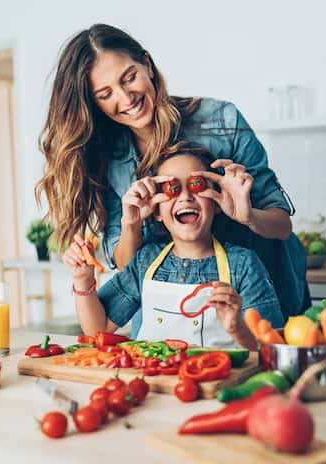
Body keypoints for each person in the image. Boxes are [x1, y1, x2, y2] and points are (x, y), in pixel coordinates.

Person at [36, 24, 309, 335]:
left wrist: (248, 216)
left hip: (255, 299)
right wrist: (132, 223)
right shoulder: (104, 156)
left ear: (147, 66)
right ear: (93, 102)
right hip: (167, 318)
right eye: (105, 93)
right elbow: (127, 266)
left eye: (129, 77)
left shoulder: (222, 120)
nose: (126, 98)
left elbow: (281, 224)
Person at [62, 143, 284, 350]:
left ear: (216, 201)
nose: (186, 197)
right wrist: (83, 280)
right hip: (153, 386)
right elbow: (97, 329)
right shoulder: (145, 261)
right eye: (172, 188)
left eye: (197, 186)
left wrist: (237, 328)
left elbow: (270, 349)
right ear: (157, 211)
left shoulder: (243, 264)